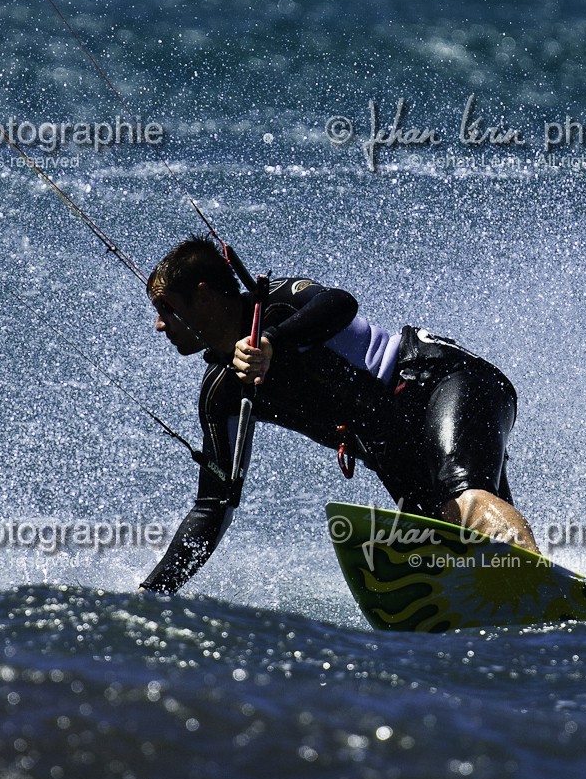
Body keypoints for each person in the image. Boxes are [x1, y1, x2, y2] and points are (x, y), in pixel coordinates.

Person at [139, 236, 538, 593]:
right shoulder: (222, 392)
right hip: (391, 443)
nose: (159, 325)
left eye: (166, 308)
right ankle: (527, 607)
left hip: (441, 380)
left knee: (467, 498)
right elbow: (213, 507)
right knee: (448, 539)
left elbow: (340, 303)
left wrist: (272, 341)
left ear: (204, 297)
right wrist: (153, 595)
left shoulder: (277, 303)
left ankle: (535, 592)